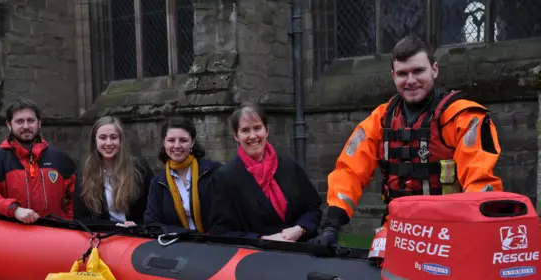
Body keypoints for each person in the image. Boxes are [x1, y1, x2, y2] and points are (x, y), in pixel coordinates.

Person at [310, 35, 504, 249]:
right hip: (397, 228)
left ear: (435, 70)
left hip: (448, 230)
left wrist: (478, 231)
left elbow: (480, 179)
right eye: (402, 73)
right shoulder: (381, 119)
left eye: (418, 71)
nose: (410, 80)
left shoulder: (463, 118)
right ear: (393, 76)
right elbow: (349, 170)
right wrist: (332, 225)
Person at [207, 101, 322, 241]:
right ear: (236, 136)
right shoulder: (224, 178)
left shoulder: (288, 165)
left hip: (300, 250)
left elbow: (313, 208)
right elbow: (219, 231)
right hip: (255, 257)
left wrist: (300, 228)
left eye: (257, 128)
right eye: (245, 130)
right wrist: (262, 239)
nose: (253, 136)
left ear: (266, 131)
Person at [0, 98, 76, 224]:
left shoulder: (60, 158)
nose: (26, 126)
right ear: (9, 125)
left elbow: (76, 197)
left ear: (39, 123)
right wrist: (14, 210)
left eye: (31, 120)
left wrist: (68, 222)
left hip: (54, 235)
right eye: (20, 121)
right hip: (14, 235)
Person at [143, 117, 222, 233]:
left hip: (216, 244)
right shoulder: (158, 182)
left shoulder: (213, 172)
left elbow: (227, 215)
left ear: (193, 142)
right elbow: (151, 222)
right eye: (171, 140)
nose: (177, 145)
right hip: (178, 246)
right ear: (164, 142)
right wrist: (187, 235)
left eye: (183, 140)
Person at [73, 115, 153, 226]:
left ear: (121, 140)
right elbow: (81, 218)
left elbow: (153, 210)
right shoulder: (85, 173)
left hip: (138, 236)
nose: (108, 143)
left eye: (113, 137)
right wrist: (113, 227)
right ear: (94, 141)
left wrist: (139, 225)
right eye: (103, 138)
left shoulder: (139, 168)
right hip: (106, 237)